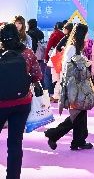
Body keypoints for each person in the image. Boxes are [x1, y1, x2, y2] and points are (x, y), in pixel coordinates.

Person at [0, 23, 43, 179]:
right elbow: (37, 75)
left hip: (1, 103)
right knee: (15, 143)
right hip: (22, 102)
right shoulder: (27, 53)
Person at [45, 23, 94, 151]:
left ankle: (78, 141)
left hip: (77, 86)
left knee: (80, 114)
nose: (88, 36)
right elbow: (69, 69)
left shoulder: (75, 48)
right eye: (86, 33)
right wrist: (84, 65)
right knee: (77, 114)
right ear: (81, 34)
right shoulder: (72, 48)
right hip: (74, 86)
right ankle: (55, 134)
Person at [44, 22, 64, 96]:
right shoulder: (66, 36)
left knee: (49, 75)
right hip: (62, 57)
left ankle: (50, 94)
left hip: (55, 56)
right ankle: (58, 93)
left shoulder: (55, 34)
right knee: (58, 76)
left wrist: (46, 57)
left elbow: (49, 46)